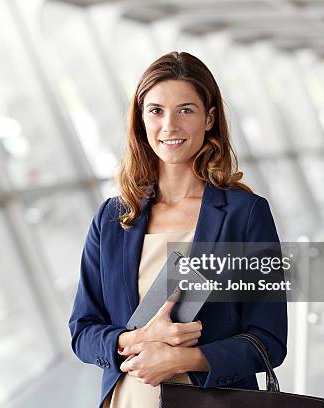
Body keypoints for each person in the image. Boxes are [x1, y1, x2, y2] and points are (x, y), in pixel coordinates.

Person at [68, 51, 287, 408]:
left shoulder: (244, 215)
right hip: (128, 399)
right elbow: (83, 331)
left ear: (209, 118)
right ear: (141, 121)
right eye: (156, 111)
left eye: (185, 110)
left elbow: (269, 340)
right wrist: (132, 339)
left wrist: (182, 359)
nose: (169, 125)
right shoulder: (112, 218)